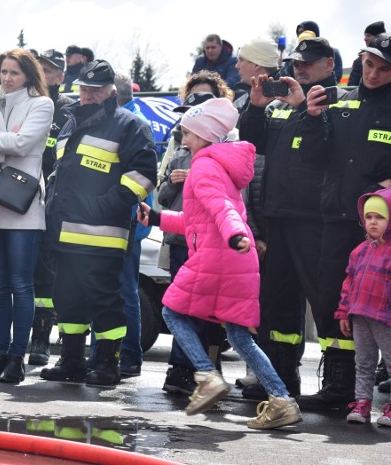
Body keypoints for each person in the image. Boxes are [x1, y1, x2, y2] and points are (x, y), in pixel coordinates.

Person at [140, 97, 302, 429]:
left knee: (171, 311)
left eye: (188, 134)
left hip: (218, 255)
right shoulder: (221, 166)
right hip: (233, 256)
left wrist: (233, 235)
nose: (183, 141)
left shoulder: (202, 166)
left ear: (204, 135)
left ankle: (206, 374)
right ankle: (282, 401)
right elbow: (197, 221)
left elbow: (221, 211)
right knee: (240, 337)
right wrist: (157, 217)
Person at [41, 59, 157, 388]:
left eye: (94, 91)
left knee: (106, 302)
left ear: (109, 93)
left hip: (102, 235)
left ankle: (108, 363)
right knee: (67, 298)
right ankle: (72, 360)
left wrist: (104, 206)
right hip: (64, 234)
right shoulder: (70, 122)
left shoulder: (129, 125)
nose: (88, 96)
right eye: (84, 90)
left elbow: (145, 174)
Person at [237, 37, 340, 401]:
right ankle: (281, 377)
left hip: (315, 217)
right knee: (277, 301)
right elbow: (252, 145)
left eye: (309, 63)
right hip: (277, 214)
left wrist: (304, 110)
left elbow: (319, 153)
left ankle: (338, 386)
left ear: (329, 65)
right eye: (297, 63)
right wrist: (254, 106)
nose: (300, 69)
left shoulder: (338, 103)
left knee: (324, 298)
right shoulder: (278, 103)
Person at [297, 32, 391, 411]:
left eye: (384, 69)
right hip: (336, 216)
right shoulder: (340, 103)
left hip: (380, 227)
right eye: (369, 64)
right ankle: (341, 383)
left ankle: (373, 387)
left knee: (380, 306)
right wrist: (312, 119)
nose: (373, 74)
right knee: (332, 296)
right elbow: (314, 157)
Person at [0, 49, 53, 384]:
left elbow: (22, 145)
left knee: (21, 283)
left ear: (29, 75)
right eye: (3, 71)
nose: (7, 78)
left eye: (14, 73)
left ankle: (17, 357)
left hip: (23, 205)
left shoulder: (41, 104)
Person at [158, 88, 216, 395]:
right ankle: (182, 369)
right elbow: (162, 198)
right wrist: (171, 181)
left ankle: (193, 368)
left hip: (207, 244)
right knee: (180, 306)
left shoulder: (220, 155)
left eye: (189, 123)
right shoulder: (179, 153)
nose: (183, 130)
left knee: (196, 309)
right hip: (180, 240)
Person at [25, 49, 74, 367]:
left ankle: (40, 340)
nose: (44, 74)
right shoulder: (23, 104)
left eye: (50, 70)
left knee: (45, 276)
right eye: (39, 68)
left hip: (49, 204)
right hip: (15, 198)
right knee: (9, 272)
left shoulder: (69, 111)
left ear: (60, 76)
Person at [335, 188, 391, 426]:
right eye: (368, 217)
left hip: (385, 317)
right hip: (360, 315)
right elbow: (349, 283)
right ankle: (362, 403)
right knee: (364, 362)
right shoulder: (359, 251)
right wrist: (343, 312)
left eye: (379, 217)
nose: (373, 222)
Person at [112, 72, 155, 378]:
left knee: (126, 291)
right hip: (118, 220)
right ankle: (113, 353)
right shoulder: (130, 120)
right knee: (113, 290)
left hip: (127, 221)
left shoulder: (134, 125)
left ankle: (128, 356)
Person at [348, 21, 385, 87]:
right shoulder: (359, 60)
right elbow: (352, 84)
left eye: (368, 35)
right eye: (369, 64)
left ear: (377, 38)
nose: (365, 39)